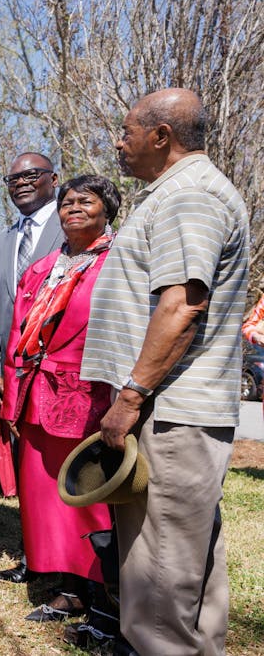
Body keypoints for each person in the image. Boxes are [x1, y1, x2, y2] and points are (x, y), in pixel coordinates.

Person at [81, 88, 248, 656]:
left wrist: (130, 397)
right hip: (169, 409)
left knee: (159, 578)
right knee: (183, 563)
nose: (118, 142)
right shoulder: (177, 193)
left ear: (161, 137)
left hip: (169, 412)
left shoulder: (190, 196)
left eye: (126, 131)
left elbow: (181, 305)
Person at [0, 175, 119, 622]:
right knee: (47, 495)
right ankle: (68, 589)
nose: (73, 208)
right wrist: (13, 399)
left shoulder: (120, 261)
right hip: (36, 394)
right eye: (67, 202)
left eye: (85, 201)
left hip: (92, 397)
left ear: (107, 209)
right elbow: (17, 333)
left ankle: (105, 594)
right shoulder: (43, 267)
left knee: (90, 495)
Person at [0, 152, 64, 583]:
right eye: (12, 178)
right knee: (26, 465)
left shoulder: (74, 225)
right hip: (13, 373)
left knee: (60, 467)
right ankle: (35, 557)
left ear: (54, 177)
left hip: (61, 370)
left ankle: (72, 564)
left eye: (31, 175)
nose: (21, 183)